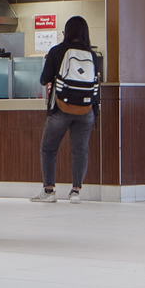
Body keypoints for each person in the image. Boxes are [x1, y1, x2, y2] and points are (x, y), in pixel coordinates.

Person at [30, 16, 100, 204]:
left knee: (49, 149)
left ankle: (49, 190)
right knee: (80, 150)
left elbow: (44, 79)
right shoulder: (92, 55)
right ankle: (75, 191)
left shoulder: (57, 51)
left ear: (66, 32)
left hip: (60, 109)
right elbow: (96, 85)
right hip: (86, 110)